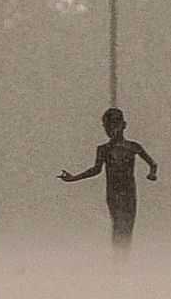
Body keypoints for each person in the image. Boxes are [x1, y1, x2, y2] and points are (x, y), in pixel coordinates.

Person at [58, 107, 157, 252]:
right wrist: (73, 178)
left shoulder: (133, 147)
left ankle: (123, 258)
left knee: (127, 227)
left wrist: (152, 173)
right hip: (114, 194)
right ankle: (118, 260)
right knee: (118, 225)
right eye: (107, 126)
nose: (110, 130)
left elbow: (153, 164)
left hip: (129, 193)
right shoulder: (103, 149)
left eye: (113, 125)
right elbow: (96, 170)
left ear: (123, 125)